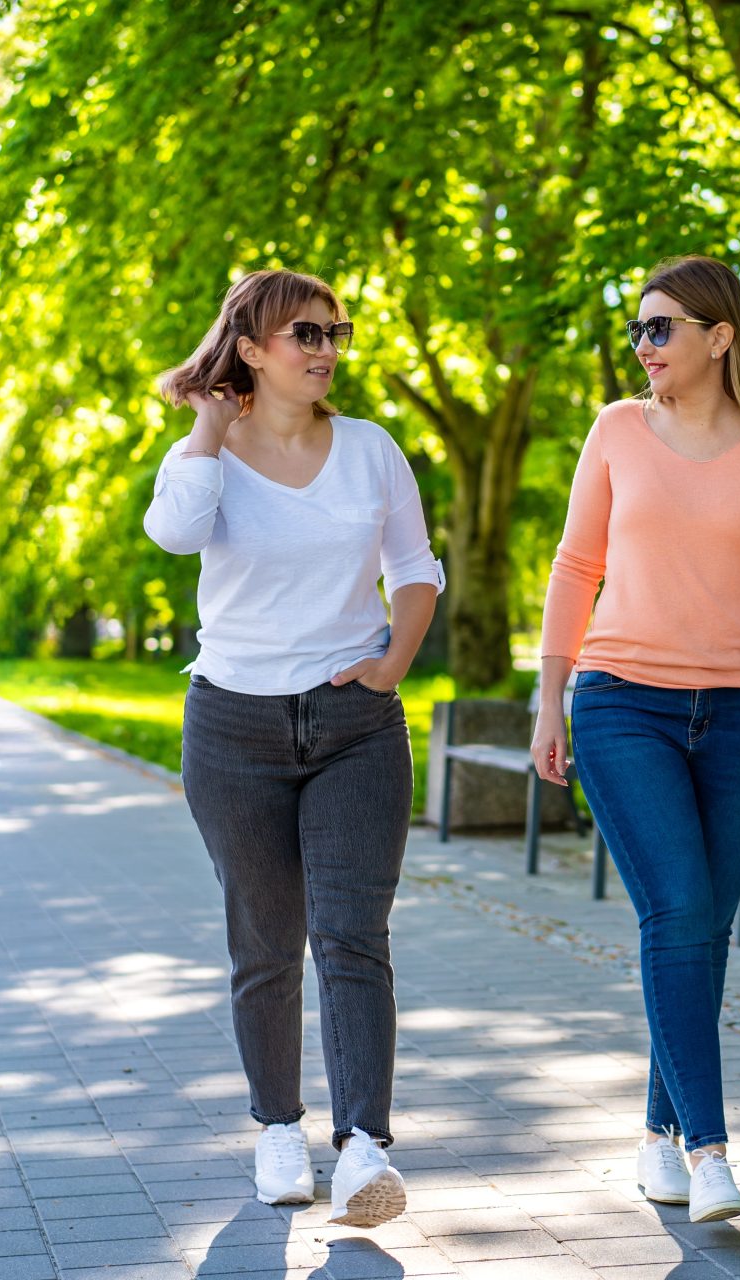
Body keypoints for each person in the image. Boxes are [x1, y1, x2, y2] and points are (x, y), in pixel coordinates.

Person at [531, 255, 740, 1222]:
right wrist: (550, 700)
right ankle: (711, 1151)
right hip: (625, 702)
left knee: (704, 927)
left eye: (661, 328)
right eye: (637, 330)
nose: (644, 347)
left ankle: (658, 1134)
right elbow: (577, 565)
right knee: (676, 912)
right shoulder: (619, 430)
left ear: (722, 336)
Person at [144, 269, 442, 1226]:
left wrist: (394, 662)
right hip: (234, 726)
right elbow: (173, 534)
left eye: (334, 333)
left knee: (354, 935)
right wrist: (206, 426)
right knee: (265, 941)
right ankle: (278, 1128)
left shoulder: (370, 450)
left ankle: (363, 1148)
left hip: (355, 724)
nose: (324, 349)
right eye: (304, 334)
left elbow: (415, 569)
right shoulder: (209, 456)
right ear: (254, 349)